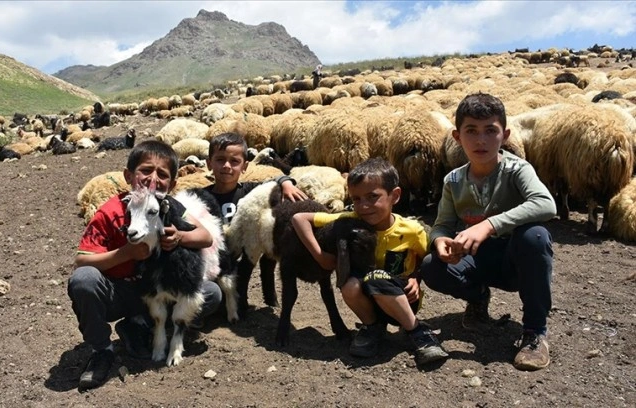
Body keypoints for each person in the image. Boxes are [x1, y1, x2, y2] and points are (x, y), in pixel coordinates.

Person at [67, 140, 221, 390]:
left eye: (162, 174)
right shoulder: (110, 211)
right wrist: (126, 253)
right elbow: (82, 260)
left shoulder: (169, 206)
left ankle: (138, 325)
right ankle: (102, 351)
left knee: (210, 294)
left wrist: (180, 237)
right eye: (146, 170)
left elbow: (205, 237)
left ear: (172, 185)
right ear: (129, 175)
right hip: (118, 292)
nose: (153, 179)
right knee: (84, 279)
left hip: (154, 290)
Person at [420, 92, 557, 371]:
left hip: (516, 258)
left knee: (535, 236)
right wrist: (440, 239)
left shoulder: (517, 169)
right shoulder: (453, 180)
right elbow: (443, 223)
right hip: (479, 258)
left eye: (490, 131)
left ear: (504, 135)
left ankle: (534, 333)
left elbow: (546, 204)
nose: (481, 140)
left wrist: (490, 224)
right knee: (431, 265)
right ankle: (478, 299)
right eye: (471, 131)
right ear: (457, 137)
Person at [291, 158, 449, 365]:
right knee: (349, 283)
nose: (363, 206)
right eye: (356, 199)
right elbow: (299, 218)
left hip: (404, 299)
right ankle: (372, 327)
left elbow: (424, 258)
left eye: (372, 197)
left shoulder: (412, 231)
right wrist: (320, 255)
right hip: (368, 299)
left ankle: (418, 331)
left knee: (376, 277)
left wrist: (415, 279)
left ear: (395, 196)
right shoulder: (351, 219)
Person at [203, 132, 308, 317]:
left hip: (239, 252)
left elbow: (272, 182)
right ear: (209, 163)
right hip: (211, 256)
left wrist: (286, 182)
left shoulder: (249, 191)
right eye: (220, 160)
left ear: (245, 166)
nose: (227, 166)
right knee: (214, 297)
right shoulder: (200, 195)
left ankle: (246, 299)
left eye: (234, 161)